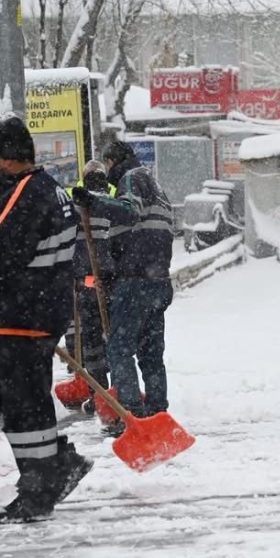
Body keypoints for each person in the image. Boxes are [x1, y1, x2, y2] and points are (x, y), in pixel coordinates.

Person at [0, 117, 92, 524]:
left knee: (24, 406)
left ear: (3, 159)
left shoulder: (24, 195)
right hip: (33, 313)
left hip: (23, 316)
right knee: (6, 396)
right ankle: (54, 461)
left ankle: (39, 487)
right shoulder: (47, 189)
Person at [78, 140, 173, 434]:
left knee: (119, 349)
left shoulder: (131, 179)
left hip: (135, 281)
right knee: (150, 352)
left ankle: (129, 417)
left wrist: (93, 201)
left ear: (112, 161)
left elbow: (129, 211)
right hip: (159, 281)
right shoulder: (157, 187)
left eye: (106, 166)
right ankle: (158, 413)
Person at [66, 160, 118, 413]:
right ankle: (116, 389)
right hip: (110, 281)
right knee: (113, 337)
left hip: (87, 280)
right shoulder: (113, 203)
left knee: (92, 339)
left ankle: (99, 391)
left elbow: (67, 244)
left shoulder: (76, 205)